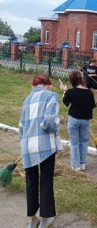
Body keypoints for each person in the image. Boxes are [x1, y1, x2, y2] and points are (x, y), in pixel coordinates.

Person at [19, 75, 62, 228]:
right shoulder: (51, 96)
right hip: (45, 147)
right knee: (46, 181)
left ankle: (32, 219)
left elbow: (21, 128)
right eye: (50, 85)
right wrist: (58, 122)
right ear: (46, 84)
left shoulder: (26, 101)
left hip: (27, 147)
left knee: (31, 182)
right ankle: (44, 219)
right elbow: (50, 121)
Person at [60, 70, 96, 171]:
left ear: (72, 80)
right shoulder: (89, 92)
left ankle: (76, 166)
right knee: (84, 142)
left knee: (74, 143)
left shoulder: (71, 92)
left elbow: (65, 102)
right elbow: (92, 106)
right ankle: (82, 164)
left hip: (74, 120)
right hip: (85, 120)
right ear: (80, 79)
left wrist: (64, 91)